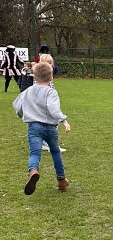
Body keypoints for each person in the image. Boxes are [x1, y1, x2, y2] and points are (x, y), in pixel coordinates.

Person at [13, 60, 71, 195]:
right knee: (55, 152)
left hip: (34, 127)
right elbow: (53, 109)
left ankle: (33, 170)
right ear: (51, 77)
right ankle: (61, 180)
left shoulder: (27, 91)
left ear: (34, 75)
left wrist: (22, 115)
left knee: (34, 153)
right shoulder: (51, 92)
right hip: (50, 128)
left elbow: (17, 106)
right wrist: (64, 120)